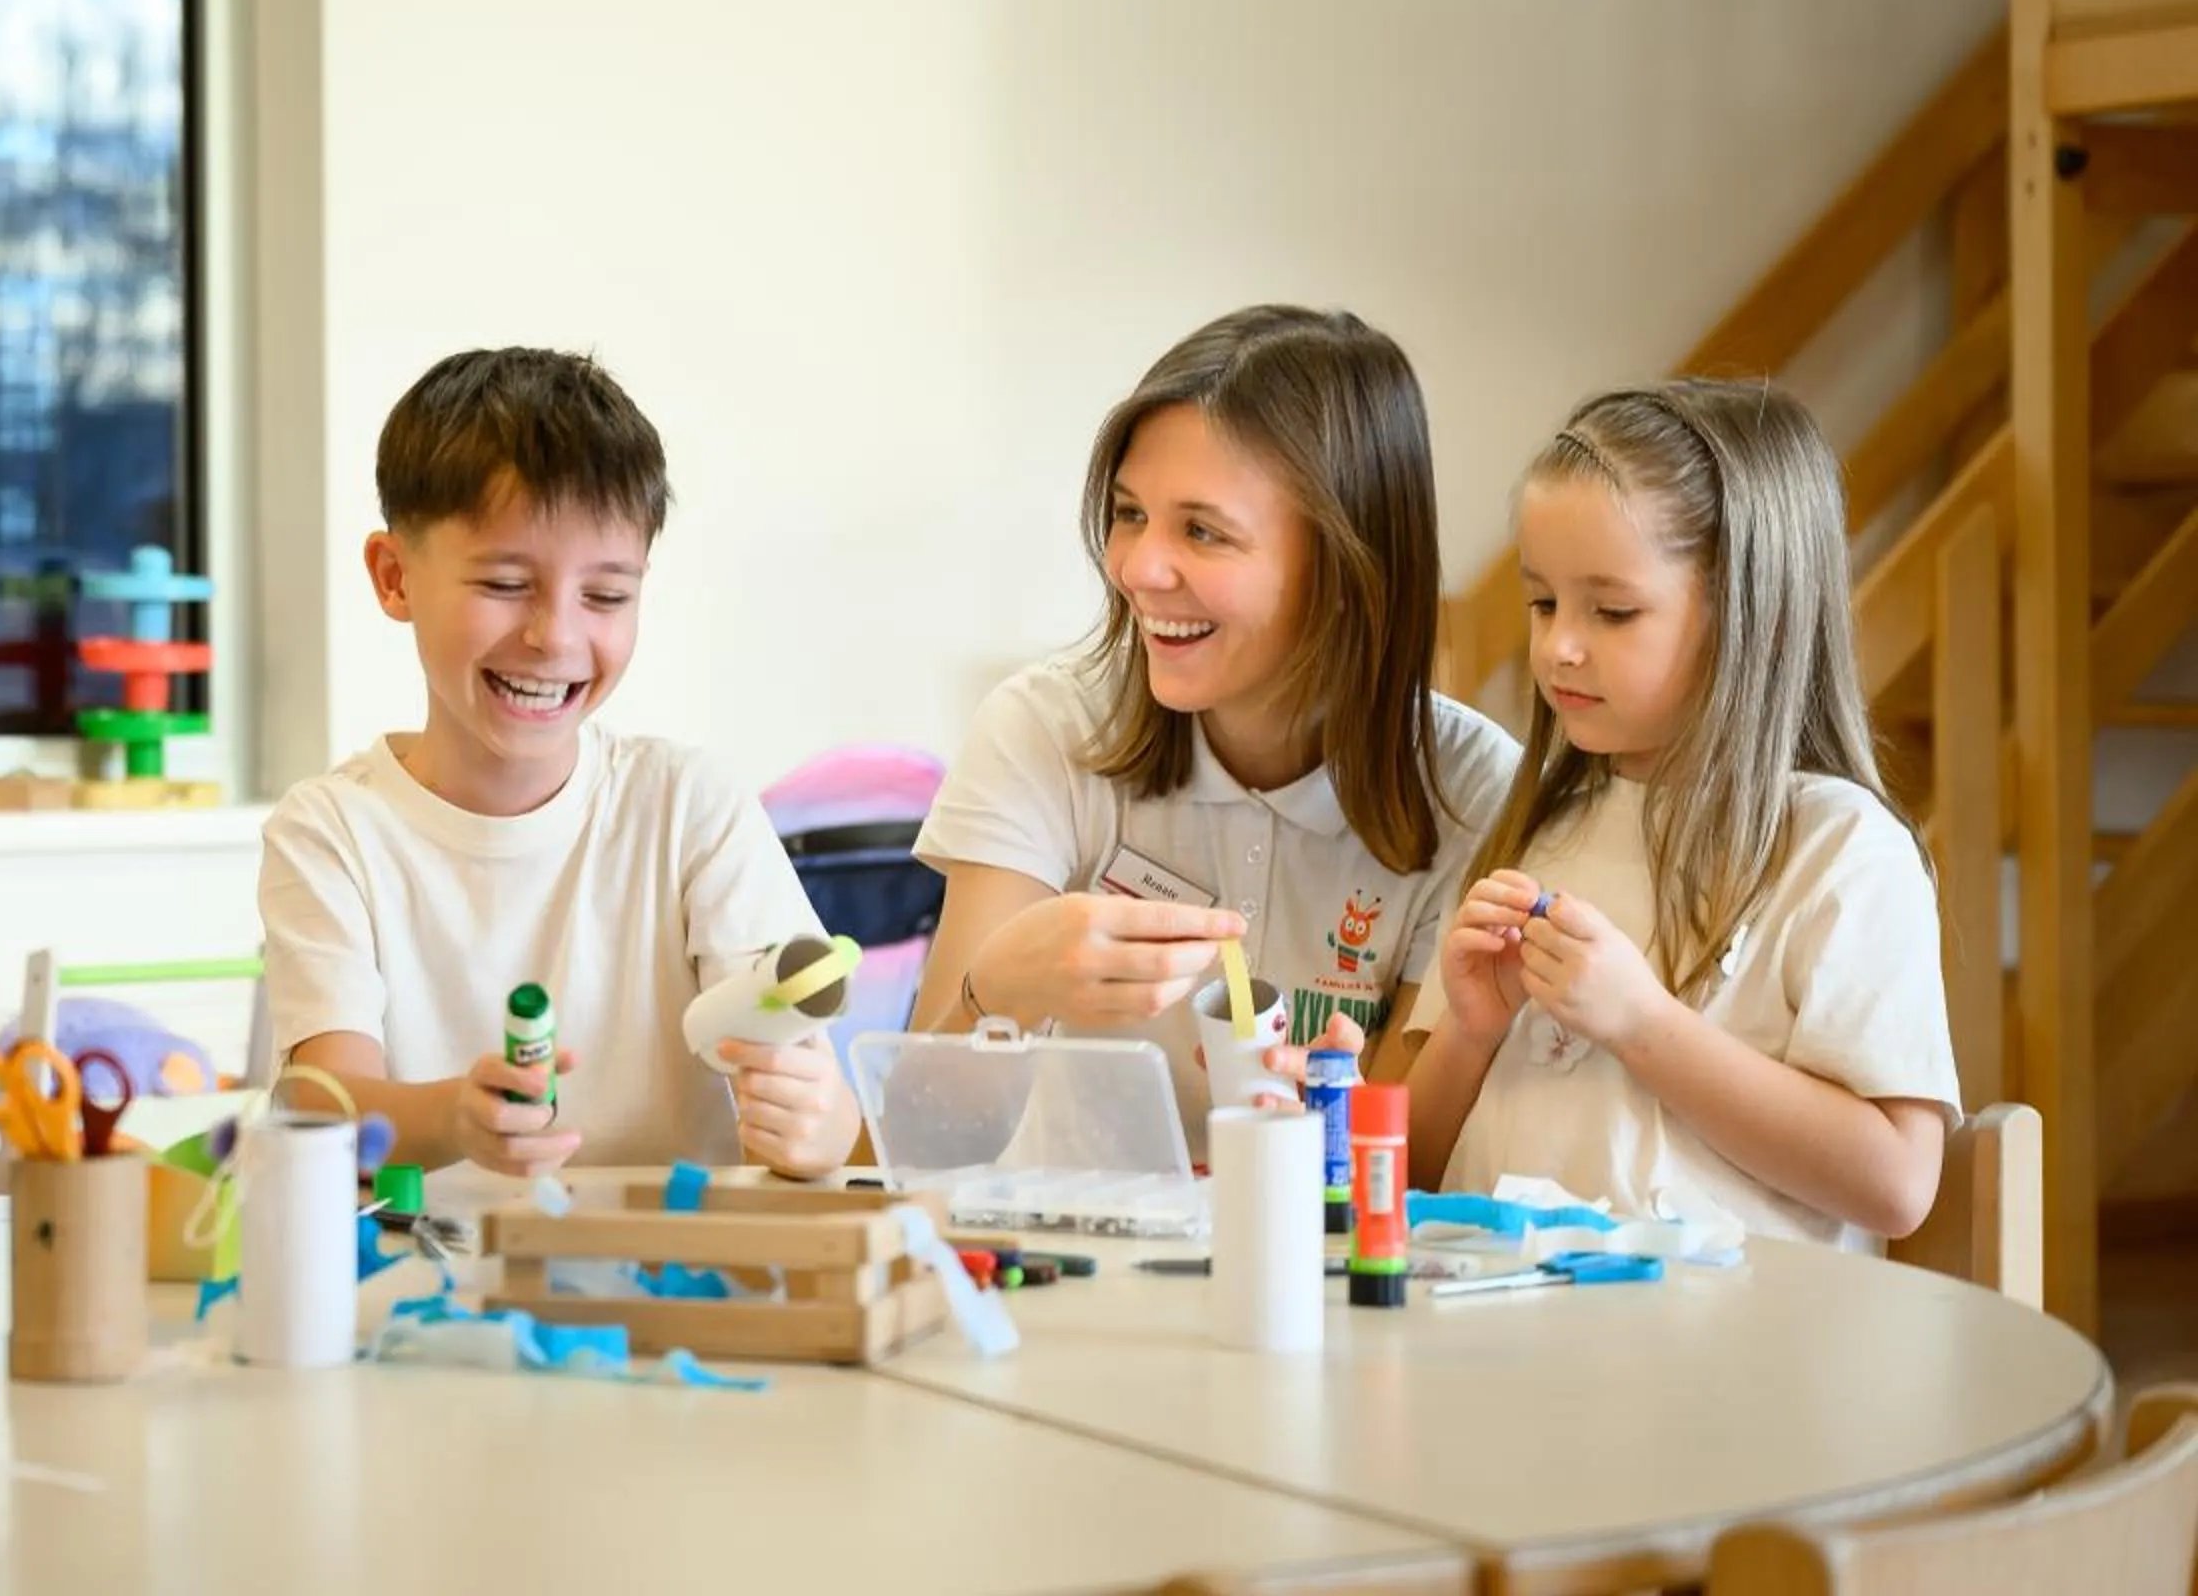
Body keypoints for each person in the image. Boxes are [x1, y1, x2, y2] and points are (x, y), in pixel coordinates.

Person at [910, 306, 1519, 1151]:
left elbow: (1406, 1182)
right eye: (1129, 514)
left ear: (1346, 566)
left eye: (1203, 531)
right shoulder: (1042, 727)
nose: (1138, 568)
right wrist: (1003, 986)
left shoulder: (1472, 790)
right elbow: (916, 1145)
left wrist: (1339, 1124)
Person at [259, 347, 862, 1179]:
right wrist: (454, 1119)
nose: (557, 637)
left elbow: (815, 1089)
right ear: (395, 578)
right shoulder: (331, 831)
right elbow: (324, 1102)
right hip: (434, 1289)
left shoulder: (691, 808)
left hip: (679, 1282)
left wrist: (820, 1124)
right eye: (506, 584)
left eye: (607, 596)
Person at [1403, 381, 1956, 1248]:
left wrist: (1644, 1024)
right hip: (1508, 1349)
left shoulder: (1841, 849)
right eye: (1543, 602)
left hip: (1735, 1364)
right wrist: (1470, 1034)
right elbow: (1405, 1174)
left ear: (1758, 622)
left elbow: (1895, 1183)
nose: (1559, 647)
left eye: (1613, 611)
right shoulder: (1532, 833)